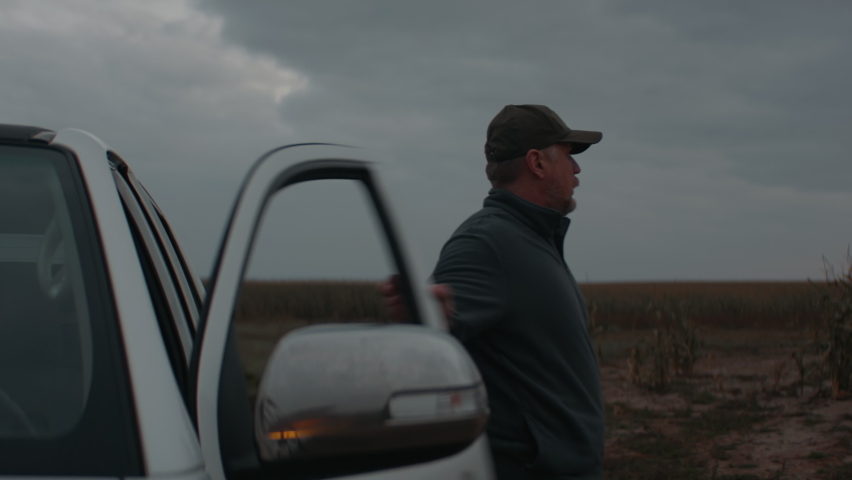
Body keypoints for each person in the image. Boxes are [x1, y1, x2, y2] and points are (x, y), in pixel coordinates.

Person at [384, 104, 604, 479]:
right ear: (537, 163)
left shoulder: (531, 238)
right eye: (569, 157)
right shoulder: (486, 243)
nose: (578, 170)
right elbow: (429, 346)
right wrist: (422, 322)